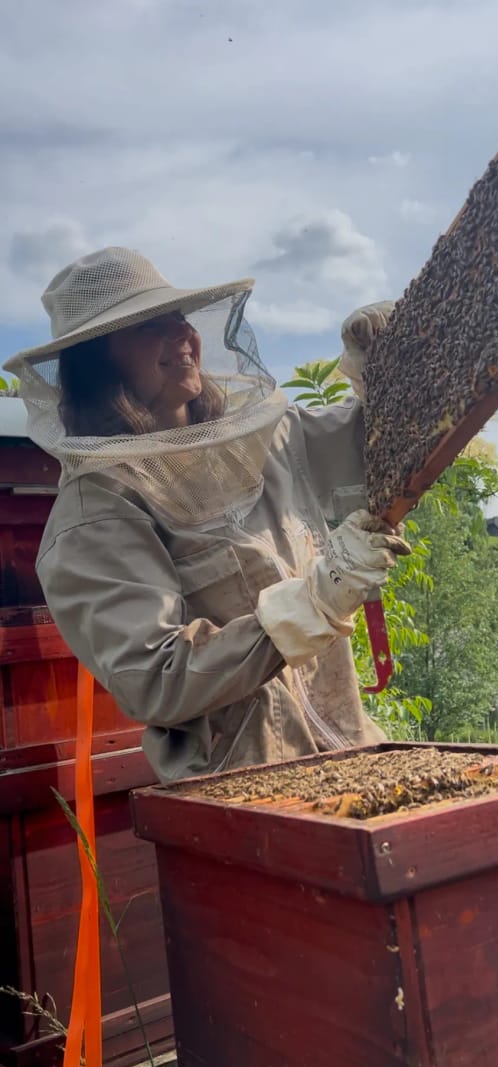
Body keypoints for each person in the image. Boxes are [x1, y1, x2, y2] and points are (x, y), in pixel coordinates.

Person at [3, 247, 409, 781]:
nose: (181, 334)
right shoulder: (95, 513)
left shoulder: (268, 441)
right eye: (149, 326)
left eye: (180, 318)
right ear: (97, 361)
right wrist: (314, 601)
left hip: (350, 750)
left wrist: (391, 367)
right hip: (240, 792)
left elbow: (382, 453)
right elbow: (155, 676)